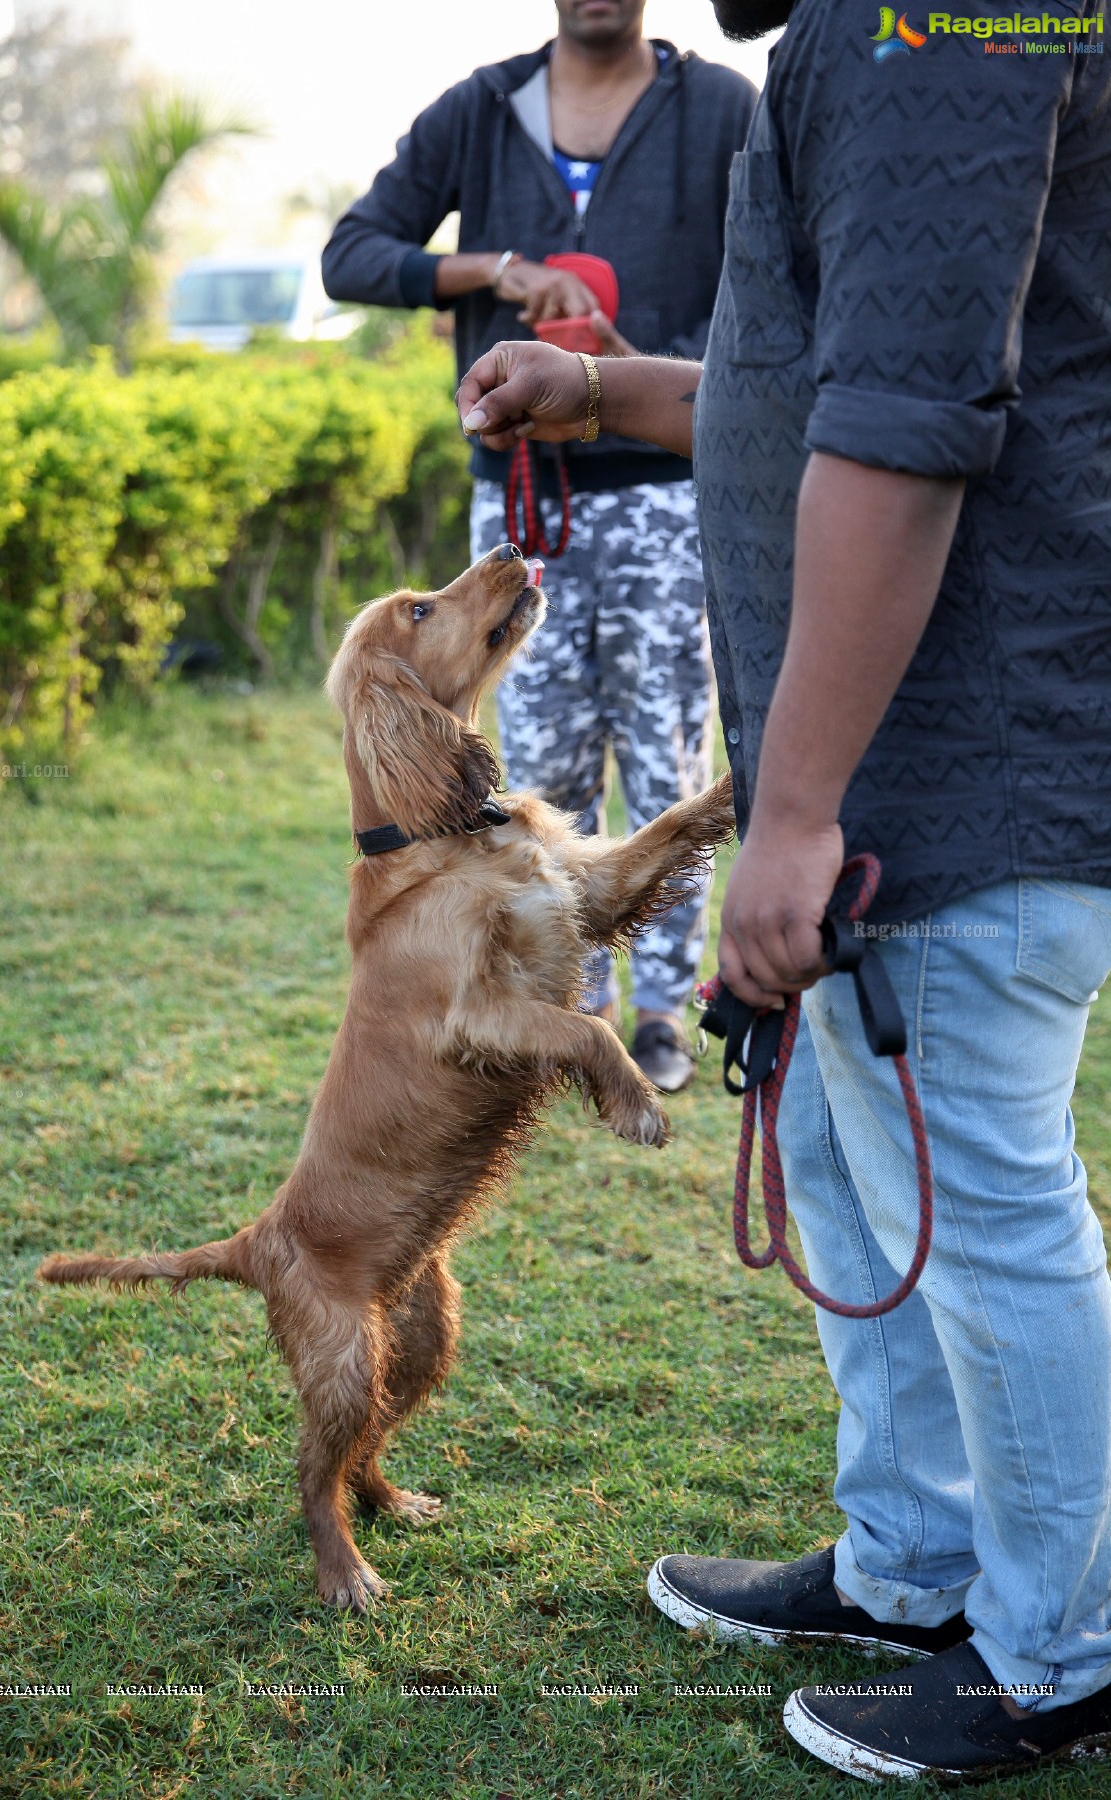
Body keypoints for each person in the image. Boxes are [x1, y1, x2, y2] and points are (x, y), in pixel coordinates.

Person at [456, 0, 1111, 1780]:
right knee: (850, 1160)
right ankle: (915, 1566)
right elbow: (825, 379)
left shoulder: (940, 20)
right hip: (905, 775)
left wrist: (798, 812)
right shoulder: (861, 36)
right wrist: (607, 389)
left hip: (962, 769)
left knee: (976, 1199)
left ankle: (1056, 1652)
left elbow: (905, 426)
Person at [322, 0, 755, 1093]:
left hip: (664, 486)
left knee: (668, 752)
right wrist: (496, 271)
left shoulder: (718, 109)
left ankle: (664, 1010)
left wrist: (639, 373)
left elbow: (777, 288)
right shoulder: (481, 108)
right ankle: (567, 1005)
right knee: (539, 767)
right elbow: (351, 254)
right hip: (520, 503)